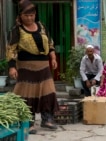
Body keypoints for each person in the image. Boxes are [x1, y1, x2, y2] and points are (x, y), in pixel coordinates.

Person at [6, 0, 58, 134]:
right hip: (26, 67)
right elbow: (11, 49)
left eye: (32, 15)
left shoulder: (42, 26)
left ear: (35, 14)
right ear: (20, 16)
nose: (29, 18)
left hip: (44, 66)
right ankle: (28, 122)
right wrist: (12, 67)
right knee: (26, 94)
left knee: (48, 91)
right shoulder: (16, 30)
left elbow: (50, 44)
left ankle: (47, 119)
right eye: (26, 15)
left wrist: (52, 57)